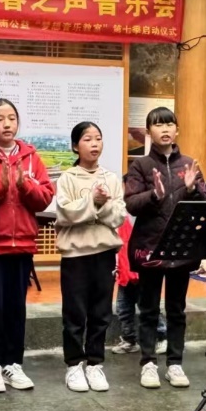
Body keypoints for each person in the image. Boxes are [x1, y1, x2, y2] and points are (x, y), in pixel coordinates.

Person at [0, 98, 54, 392]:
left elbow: (45, 197)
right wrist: (2, 186)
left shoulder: (31, 157)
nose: (7, 124)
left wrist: (24, 185)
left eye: (12, 118)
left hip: (22, 247)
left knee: (16, 308)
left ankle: (12, 363)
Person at [124, 106, 206, 389]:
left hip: (180, 246)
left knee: (176, 309)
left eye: (170, 124)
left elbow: (205, 203)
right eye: (158, 125)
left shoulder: (189, 164)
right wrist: (154, 195)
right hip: (150, 246)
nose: (165, 129)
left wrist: (191, 189)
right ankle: (148, 362)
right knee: (148, 308)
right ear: (149, 132)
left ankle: (175, 363)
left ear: (177, 130)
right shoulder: (141, 165)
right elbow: (131, 203)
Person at [56, 121, 126, 392]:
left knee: (101, 312)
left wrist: (100, 204)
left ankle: (95, 363)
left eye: (98, 138)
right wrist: (93, 202)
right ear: (76, 146)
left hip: (104, 253)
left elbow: (118, 216)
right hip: (75, 255)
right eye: (87, 139)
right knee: (74, 313)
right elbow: (66, 213)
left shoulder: (111, 178)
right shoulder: (68, 178)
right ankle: (74, 365)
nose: (94, 144)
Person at [111, 216, 167, 354]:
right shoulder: (118, 218)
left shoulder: (136, 219)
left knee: (148, 305)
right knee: (123, 308)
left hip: (139, 268)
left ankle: (162, 336)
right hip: (124, 271)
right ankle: (129, 339)